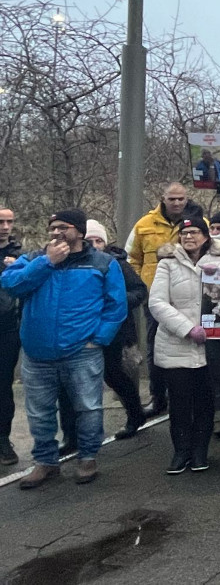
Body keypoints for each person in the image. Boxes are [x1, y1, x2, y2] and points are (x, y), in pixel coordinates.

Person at [1, 209, 127, 488]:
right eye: (52, 228)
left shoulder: (102, 263)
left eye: (63, 227)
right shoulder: (34, 259)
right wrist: (47, 262)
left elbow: (116, 305)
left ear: (79, 232)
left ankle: (88, 456)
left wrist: (100, 338)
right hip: (37, 353)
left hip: (82, 351)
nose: (56, 232)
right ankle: (45, 462)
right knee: (39, 412)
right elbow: (10, 284)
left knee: (89, 407)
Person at [148, 216, 220, 474]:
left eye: (195, 232)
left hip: (211, 346)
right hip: (176, 345)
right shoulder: (167, 265)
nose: (189, 237)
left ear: (206, 237)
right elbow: (157, 303)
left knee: (205, 401)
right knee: (180, 402)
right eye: (184, 233)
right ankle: (181, 450)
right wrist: (187, 328)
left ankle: (200, 451)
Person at [59, 221, 147, 454]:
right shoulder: (70, 263)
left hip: (112, 330)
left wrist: (113, 300)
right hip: (77, 331)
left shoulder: (116, 264)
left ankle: (135, 414)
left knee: (113, 375)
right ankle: (71, 436)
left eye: (99, 240)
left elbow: (139, 291)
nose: (95, 245)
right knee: (69, 384)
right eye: (91, 241)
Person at [128, 182, 200, 417]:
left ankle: (190, 396)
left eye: (181, 199)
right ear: (163, 198)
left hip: (192, 298)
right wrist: (142, 285)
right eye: (172, 199)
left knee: (193, 347)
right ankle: (158, 397)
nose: (177, 203)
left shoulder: (198, 224)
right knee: (155, 348)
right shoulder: (144, 225)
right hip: (156, 299)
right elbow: (133, 258)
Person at [0, 207, 22, 465]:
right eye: (1, 222)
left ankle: (3, 440)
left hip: (7, 327)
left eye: (9, 222)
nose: (5, 227)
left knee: (3, 387)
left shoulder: (18, 255)